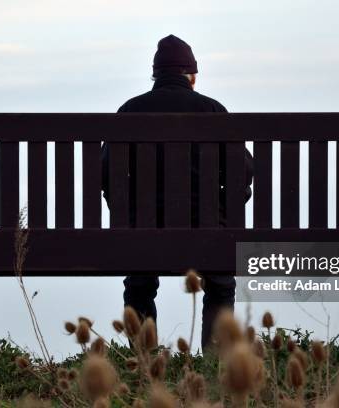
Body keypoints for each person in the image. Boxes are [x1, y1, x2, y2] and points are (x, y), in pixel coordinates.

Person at [101, 34, 253, 349]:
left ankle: (145, 361)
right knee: (221, 285)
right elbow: (244, 172)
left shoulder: (130, 111)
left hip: (144, 231)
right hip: (210, 229)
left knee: (139, 285)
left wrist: (127, 217)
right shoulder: (213, 110)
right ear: (192, 76)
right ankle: (217, 362)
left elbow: (105, 175)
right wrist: (225, 212)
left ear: (155, 75)